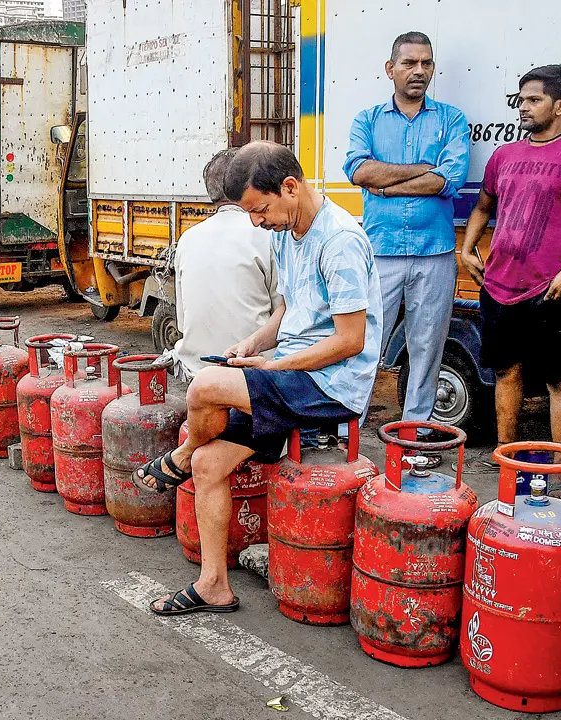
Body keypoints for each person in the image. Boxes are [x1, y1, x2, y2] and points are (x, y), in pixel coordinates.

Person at [135, 142, 382, 615]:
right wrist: (254, 344)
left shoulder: (340, 241)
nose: (257, 221)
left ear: (290, 187)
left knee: (204, 387)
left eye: (260, 209)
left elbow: (351, 341)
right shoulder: (285, 233)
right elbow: (288, 308)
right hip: (291, 372)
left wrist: (275, 367)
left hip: (331, 386)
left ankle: (180, 455)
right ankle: (213, 586)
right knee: (211, 466)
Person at [462, 64, 561, 472]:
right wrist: (468, 249)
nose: (523, 108)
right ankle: (504, 454)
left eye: (534, 100)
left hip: (548, 291)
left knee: (558, 379)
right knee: (506, 371)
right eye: (521, 100)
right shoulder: (505, 154)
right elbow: (483, 206)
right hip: (498, 286)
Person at [344, 32, 471, 440]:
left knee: (427, 348)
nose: (419, 71)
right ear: (390, 69)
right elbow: (359, 171)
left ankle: (415, 433)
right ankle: (349, 426)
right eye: (410, 63)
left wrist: (386, 183)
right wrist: (422, 168)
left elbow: (447, 178)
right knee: (362, 343)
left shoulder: (451, 119)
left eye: (426, 63)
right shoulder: (367, 119)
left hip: (435, 253)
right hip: (380, 251)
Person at [170, 148, 282, 381]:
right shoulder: (267, 233)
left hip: (196, 372)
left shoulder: (187, 238)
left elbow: (183, 321)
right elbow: (284, 316)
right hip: (252, 373)